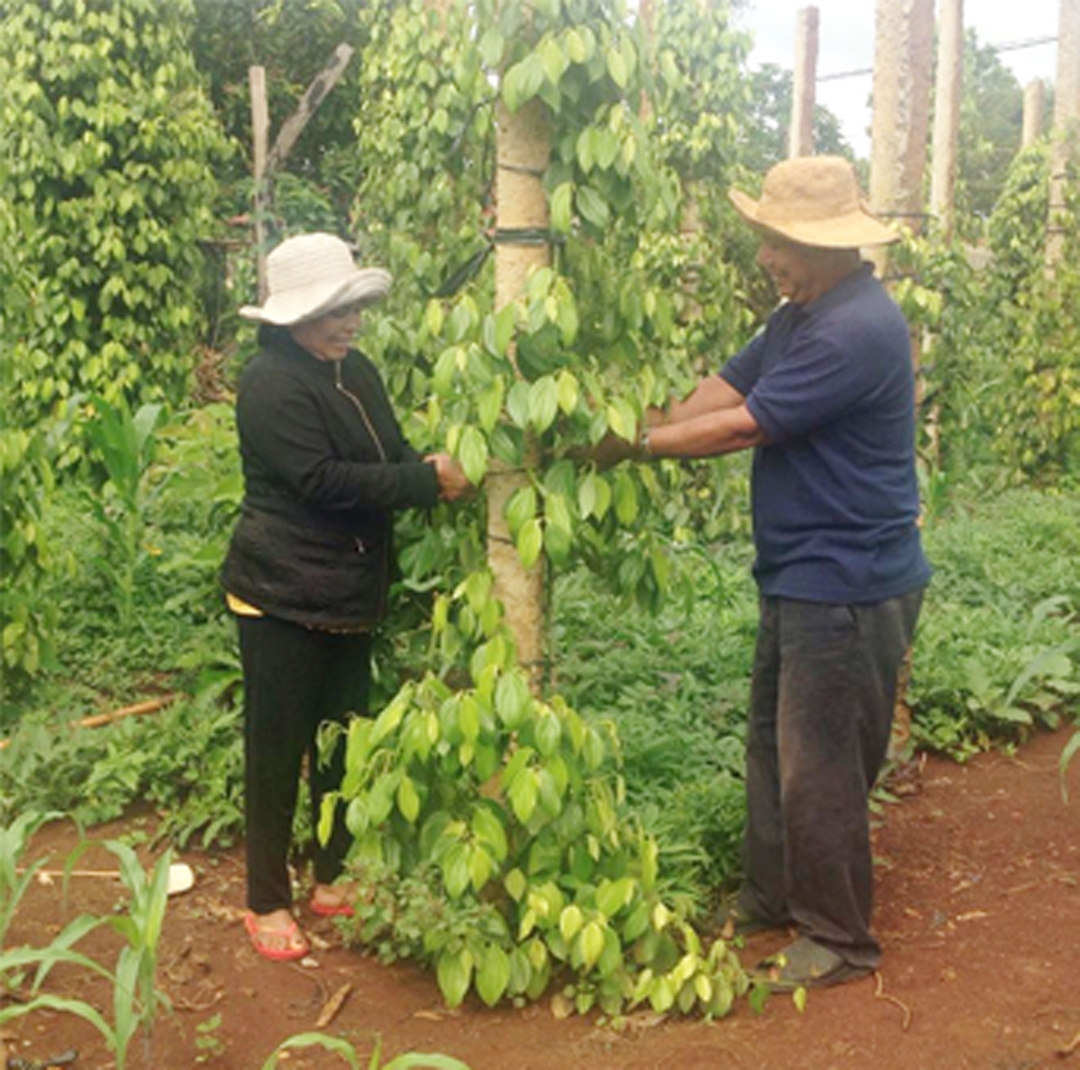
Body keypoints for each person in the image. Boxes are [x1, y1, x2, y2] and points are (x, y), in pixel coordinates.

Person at [610, 156, 931, 989]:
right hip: (802, 572)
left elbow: (745, 426)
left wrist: (633, 450)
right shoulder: (800, 312)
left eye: (775, 245)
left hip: (851, 581)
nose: (764, 259)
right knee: (772, 746)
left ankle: (838, 938)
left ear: (822, 246)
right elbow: (719, 391)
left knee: (819, 762)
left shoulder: (856, 327)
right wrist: (624, 422)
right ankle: (772, 894)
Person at [221, 232, 470, 962]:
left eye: (353, 307)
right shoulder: (269, 384)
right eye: (335, 311)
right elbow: (324, 481)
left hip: (350, 592)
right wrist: (426, 482)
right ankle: (266, 898)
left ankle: (331, 876)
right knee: (277, 749)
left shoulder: (355, 371)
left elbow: (386, 453)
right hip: (280, 594)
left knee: (342, 742)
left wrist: (428, 465)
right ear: (292, 317)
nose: (350, 323)